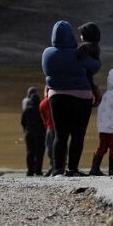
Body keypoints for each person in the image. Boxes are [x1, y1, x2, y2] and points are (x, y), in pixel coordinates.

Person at [42, 20, 101, 176]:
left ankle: (57, 169)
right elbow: (95, 67)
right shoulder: (78, 53)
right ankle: (73, 169)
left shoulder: (47, 54)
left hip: (57, 97)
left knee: (60, 135)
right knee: (78, 134)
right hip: (81, 97)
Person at [20, 87, 45, 176]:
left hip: (29, 132)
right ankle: (38, 170)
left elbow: (22, 121)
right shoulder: (41, 108)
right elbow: (44, 121)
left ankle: (30, 171)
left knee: (30, 152)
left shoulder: (27, 109)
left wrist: (25, 130)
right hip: (40, 133)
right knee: (39, 152)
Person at [77, 22, 103, 107]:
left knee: (90, 82)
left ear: (86, 36)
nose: (80, 37)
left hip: (84, 75)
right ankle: (98, 97)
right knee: (91, 82)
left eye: (82, 35)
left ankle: (98, 97)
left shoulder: (86, 46)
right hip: (89, 73)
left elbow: (80, 54)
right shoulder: (95, 46)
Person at [39, 92, 57, 177]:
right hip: (58, 127)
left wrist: (46, 124)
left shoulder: (43, 102)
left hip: (50, 127)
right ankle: (57, 166)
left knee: (50, 148)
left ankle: (53, 166)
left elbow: (43, 117)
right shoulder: (57, 99)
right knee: (59, 146)